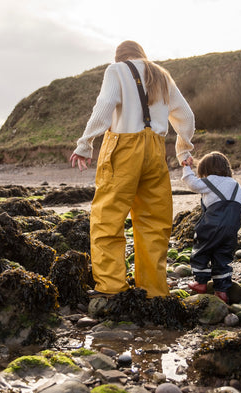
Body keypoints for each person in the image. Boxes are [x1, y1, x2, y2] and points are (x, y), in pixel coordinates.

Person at [69, 40, 195, 298]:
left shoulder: (115, 70)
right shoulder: (161, 74)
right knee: (154, 222)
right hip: (156, 150)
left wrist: (85, 143)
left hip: (123, 147)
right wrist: (183, 149)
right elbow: (187, 116)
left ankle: (112, 287)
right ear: (142, 55)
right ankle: (153, 291)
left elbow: (103, 107)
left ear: (119, 57)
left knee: (108, 219)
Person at [181, 151, 241, 303]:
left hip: (212, 225)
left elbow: (192, 184)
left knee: (201, 251)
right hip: (232, 228)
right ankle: (221, 291)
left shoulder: (212, 180)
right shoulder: (236, 185)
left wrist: (187, 168)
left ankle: (201, 282)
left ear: (205, 170)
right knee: (222, 257)